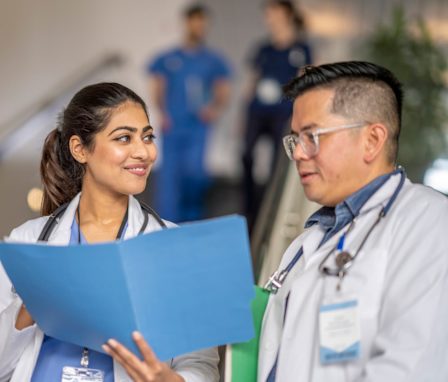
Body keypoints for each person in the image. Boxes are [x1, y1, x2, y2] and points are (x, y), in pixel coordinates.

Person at [0, 83, 219, 382]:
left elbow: (201, 366)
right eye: (124, 138)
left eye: (148, 137)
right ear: (80, 149)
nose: (144, 152)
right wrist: (30, 308)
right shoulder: (26, 242)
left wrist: (166, 380)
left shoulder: (176, 249)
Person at [258, 62, 448, 381]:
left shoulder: (429, 222)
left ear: (372, 140)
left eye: (312, 136)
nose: (299, 154)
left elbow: (412, 367)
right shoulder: (310, 240)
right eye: (295, 140)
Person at [147, 3, 231, 223]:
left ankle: (191, 221)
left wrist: (214, 109)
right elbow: (158, 86)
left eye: (203, 23)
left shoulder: (213, 60)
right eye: (195, 22)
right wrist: (162, 113)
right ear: (186, 23)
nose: (199, 27)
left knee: (195, 174)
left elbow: (223, 89)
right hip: (174, 124)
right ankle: (164, 223)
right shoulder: (168, 58)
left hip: (198, 126)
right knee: (169, 177)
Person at [242, 0, 312, 228]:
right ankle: (249, 208)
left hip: (282, 115)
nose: (269, 18)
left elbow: (306, 84)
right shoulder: (263, 49)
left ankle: (268, 211)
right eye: (267, 14)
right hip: (257, 112)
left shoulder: (301, 50)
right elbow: (251, 83)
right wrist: (242, 117)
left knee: (275, 164)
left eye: (274, 12)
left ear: (287, 14)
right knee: (246, 155)